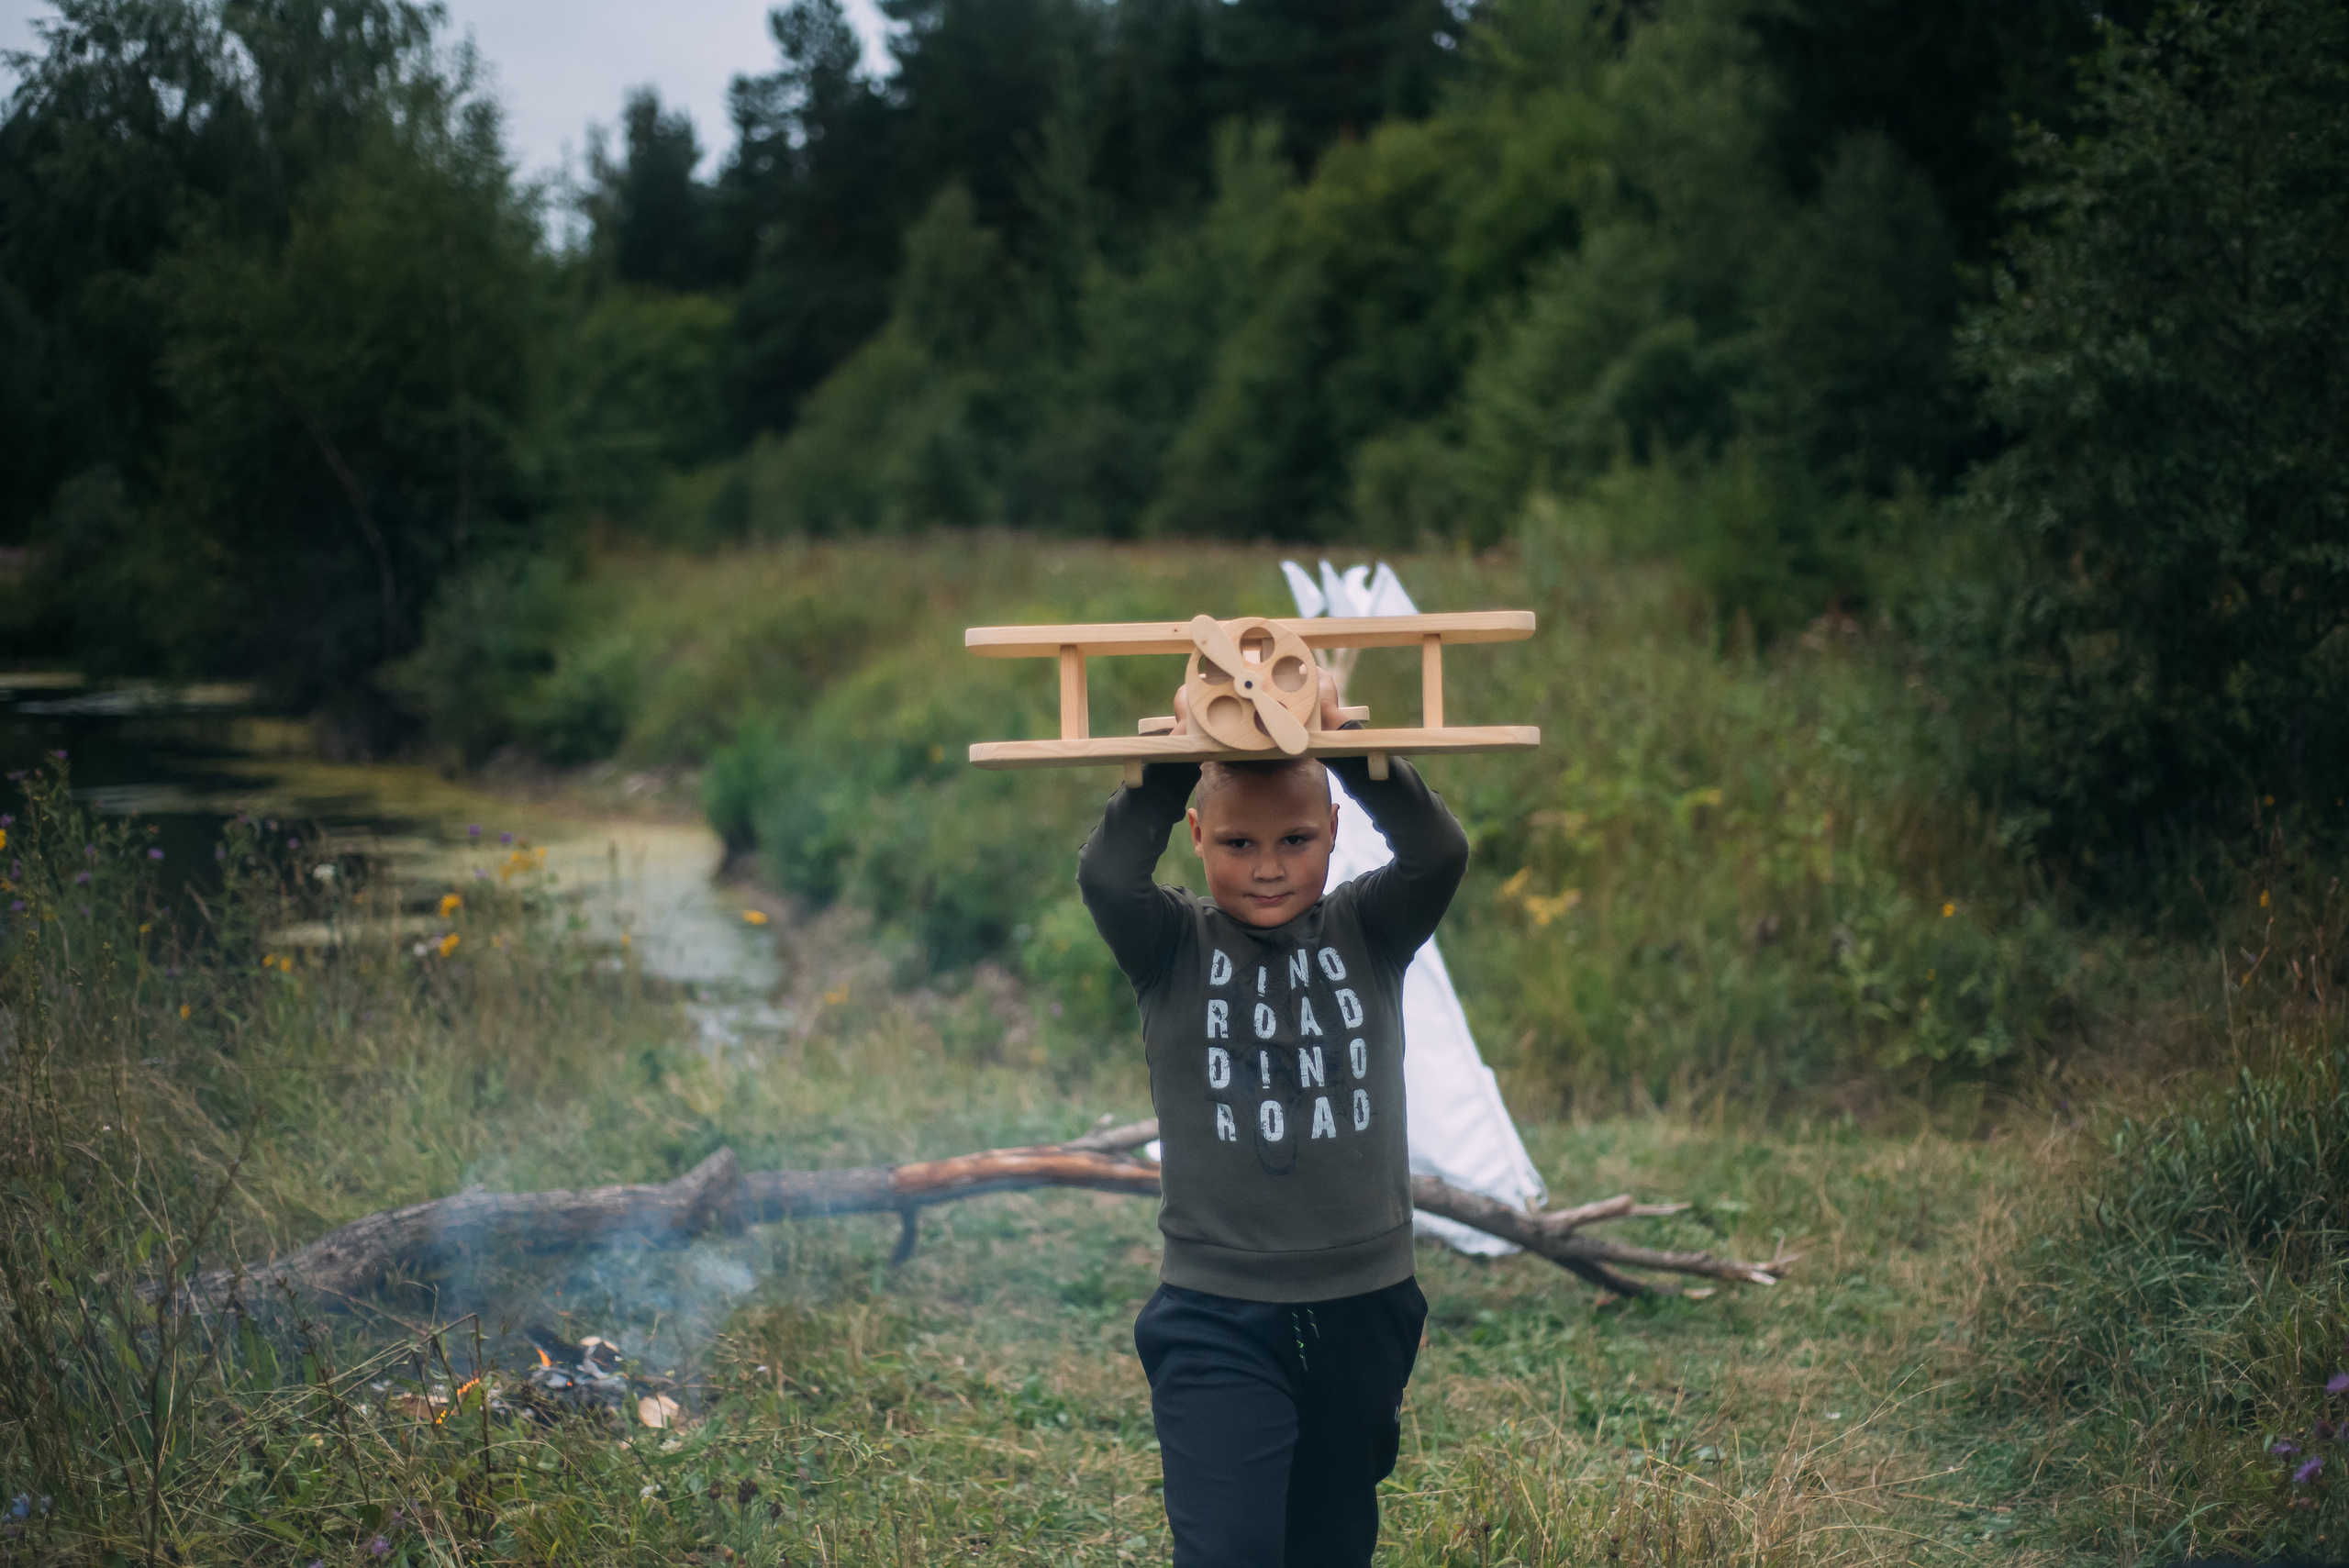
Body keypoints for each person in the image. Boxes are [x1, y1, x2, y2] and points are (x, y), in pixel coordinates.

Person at [1077, 668, 1470, 1567]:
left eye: (1296, 837)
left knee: (1330, 1540)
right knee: (1231, 1547)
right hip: (1216, 1309)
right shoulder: (1169, 944)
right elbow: (1106, 871)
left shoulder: (1368, 928)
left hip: (1364, 1302)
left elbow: (1436, 853)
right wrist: (1178, 751)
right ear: (1196, 834)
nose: (1266, 865)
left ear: (1335, 829)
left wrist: (1339, 742)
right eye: (1238, 840)